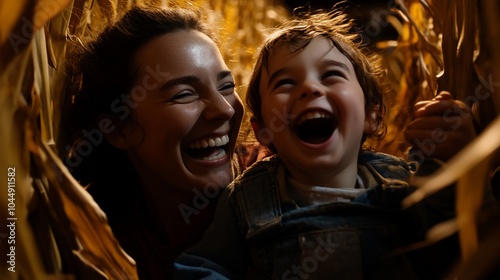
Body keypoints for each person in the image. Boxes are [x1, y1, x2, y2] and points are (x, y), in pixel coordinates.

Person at [173, 9, 484, 279]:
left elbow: (458, 247)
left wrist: (458, 159)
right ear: (265, 130)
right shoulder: (245, 198)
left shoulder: (405, 184)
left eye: (331, 75)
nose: (309, 87)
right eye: (285, 83)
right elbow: (205, 265)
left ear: (371, 116)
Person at [64, 6, 244, 279]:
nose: (225, 109)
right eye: (184, 94)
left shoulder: (289, 192)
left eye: (226, 87)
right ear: (118, 128)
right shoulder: (93, 238)